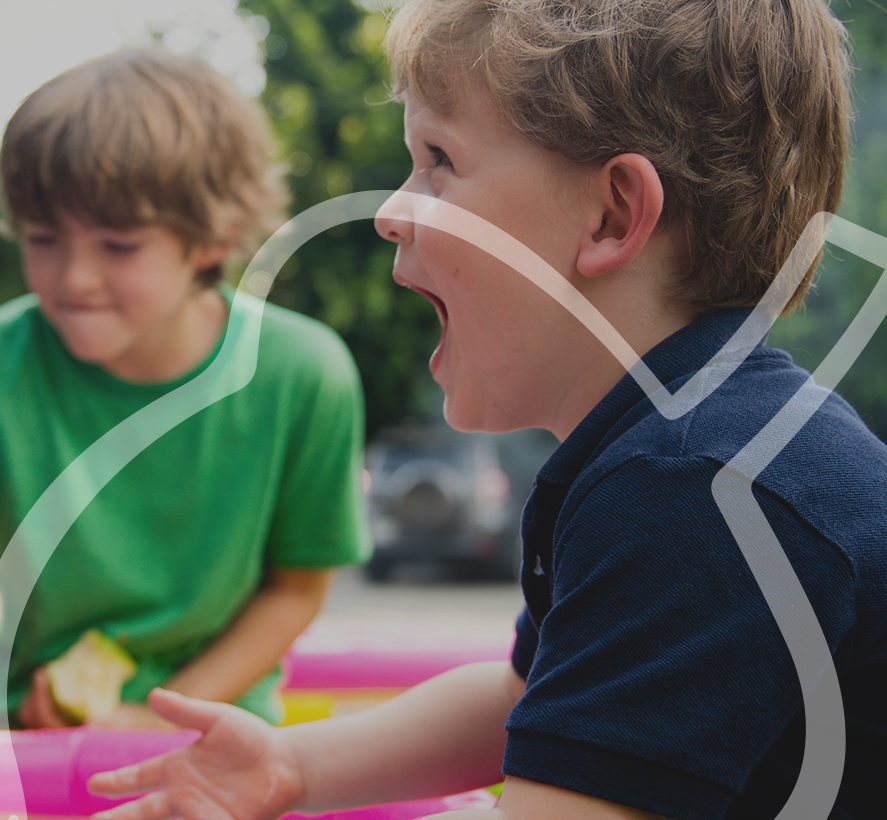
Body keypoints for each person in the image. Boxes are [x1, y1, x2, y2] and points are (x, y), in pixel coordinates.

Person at [89, 1, 886, 818]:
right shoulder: (687, 444)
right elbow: (522, 696)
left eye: (438, 158)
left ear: (611, 216)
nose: (392, 209)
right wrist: (292, 765)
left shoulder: (697, 494)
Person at [0, 48, 371, 730]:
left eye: (118, 246)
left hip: (214, 731)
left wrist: (160, 716)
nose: (73, 279)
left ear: (213, 239)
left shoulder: (302, 375)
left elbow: (295, 589)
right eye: (43, 237)